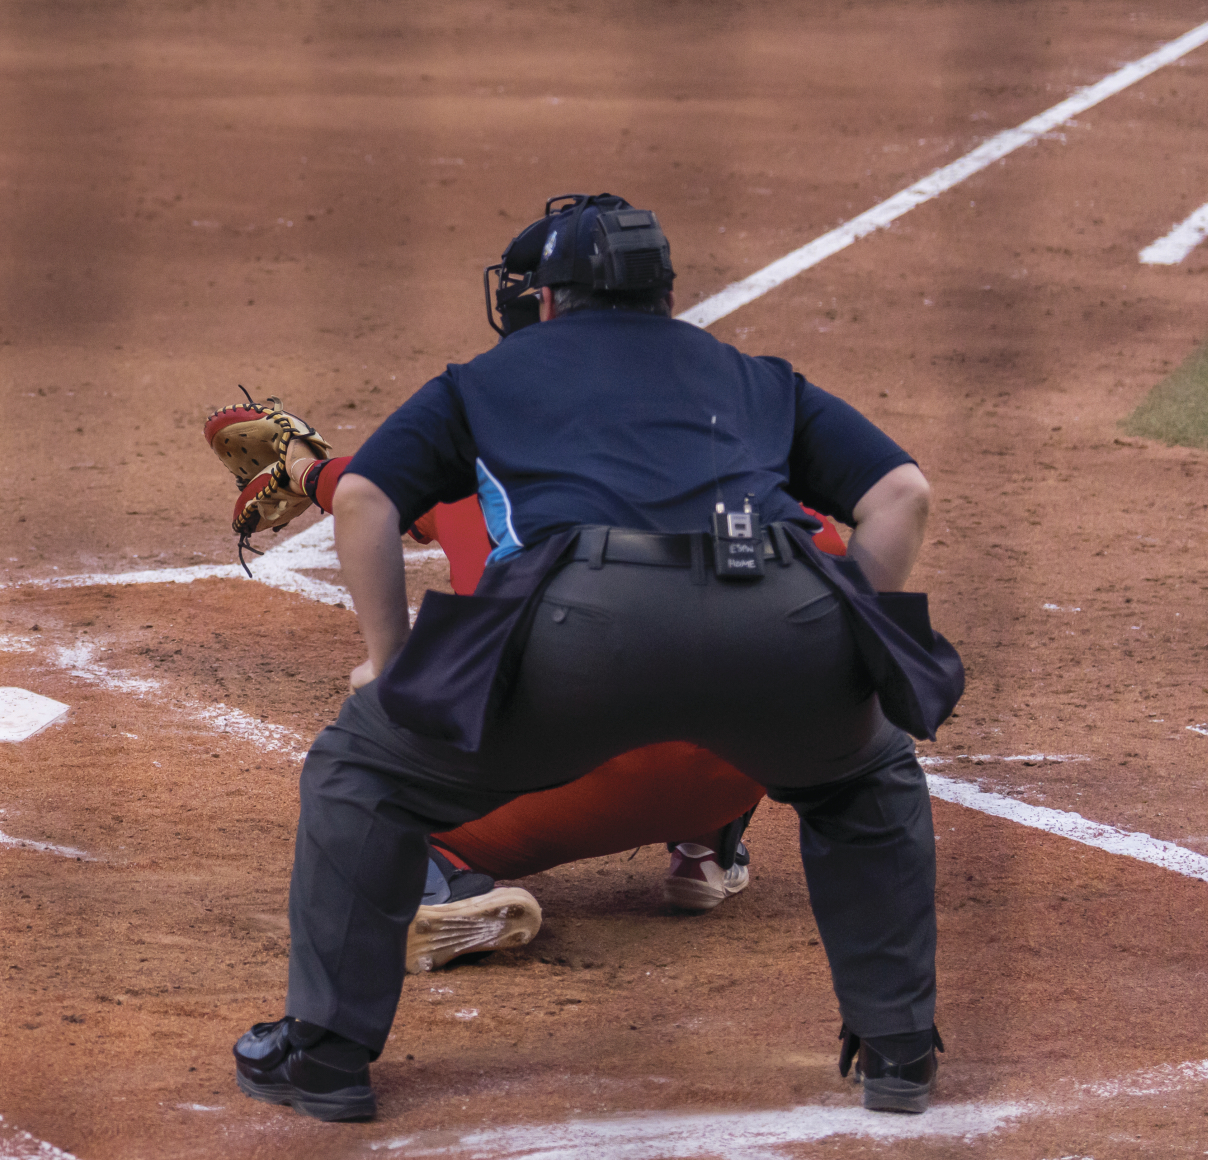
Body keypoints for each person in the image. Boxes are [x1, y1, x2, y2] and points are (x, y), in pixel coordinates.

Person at [233, 195, 955, 1126]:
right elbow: (903, 493)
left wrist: (393, 660)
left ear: (547, 300)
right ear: (663, 294)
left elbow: (367, 496)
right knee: (868, 778)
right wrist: (850, 638)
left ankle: (326, 1058)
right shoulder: (752, 375)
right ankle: (899, 1053)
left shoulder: (489, 380)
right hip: (779, 615)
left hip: (585, 627)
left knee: (362, 770)